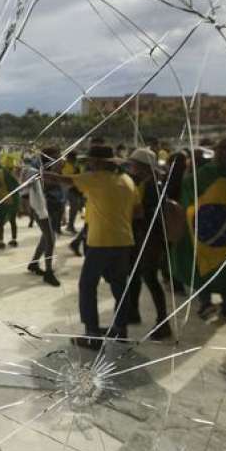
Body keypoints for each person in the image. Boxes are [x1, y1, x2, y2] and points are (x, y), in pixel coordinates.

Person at [48, 144, 137, 347]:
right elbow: (137, 211)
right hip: (124, 241)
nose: (88, 164)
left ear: (98, 162)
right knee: (119, 286)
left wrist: (41, 172)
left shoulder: (95, 178)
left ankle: (92, 335)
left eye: (90, 161)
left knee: (87, 286)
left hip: (101, 242)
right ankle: (120, 329)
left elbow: (60, 180)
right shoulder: (127, 180)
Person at [172, 136, 226, 324]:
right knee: (202, 268)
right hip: (204, 234)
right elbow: (189, 194)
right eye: (220, 149)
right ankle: (206, 304)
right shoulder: (203, 174)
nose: (222, 153)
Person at [124, 148, 172, 340]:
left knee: (150, 279)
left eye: (134, 164)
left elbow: (152, 214)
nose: (131, 167)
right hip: (140, 237)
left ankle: (163, 322)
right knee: (135, 275)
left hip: (150, 239)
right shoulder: (145, 182)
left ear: (143, 167)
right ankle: (133, 312)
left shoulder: (154, 186)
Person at [25, 149, 60, 287]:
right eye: (56, 158)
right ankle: (48, 272)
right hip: (41, 210)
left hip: (49, 208)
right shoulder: (35, 172)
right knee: (50, 239)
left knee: (46, 237)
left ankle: (34, 263)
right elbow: (32, 191)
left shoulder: (45, 171)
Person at [0, 154, 19, 249]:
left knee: (0, 221)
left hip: (3, 199)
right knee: (13, 220)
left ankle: (1, 241)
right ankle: (14, 239)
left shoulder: (0, 172)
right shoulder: (15, 173)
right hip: (15, 200)